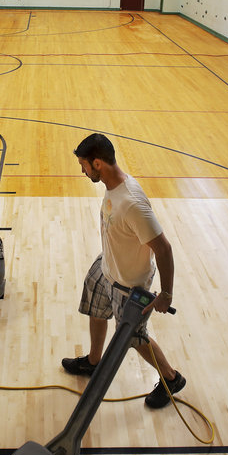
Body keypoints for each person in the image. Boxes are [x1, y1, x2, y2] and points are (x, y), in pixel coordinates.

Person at [61, 133, 185, 409]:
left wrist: (165, 294)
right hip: (106, 267)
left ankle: (171, 378)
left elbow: (164, 249)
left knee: (135, 338)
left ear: (97, 163)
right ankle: (94, 361)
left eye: (83, 165)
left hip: (129, 284)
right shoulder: (112, 185)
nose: (82, 171)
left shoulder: (132, 202)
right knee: (95, 309)